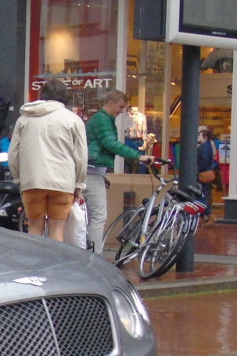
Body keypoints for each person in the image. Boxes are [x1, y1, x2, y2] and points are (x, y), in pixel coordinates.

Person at [8, 76, 87, 244]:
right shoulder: (73, 119)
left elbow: (13, 154)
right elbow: (81, 156)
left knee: (35, 227)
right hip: (63, 182)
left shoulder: (24, 118)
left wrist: (19, 179)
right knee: (57, 229)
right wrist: (79, 184)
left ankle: (33, 265)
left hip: (32, 181)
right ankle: (53, 267)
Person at [85, 90, 153, 253]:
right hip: (92, 171)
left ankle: (88, 250)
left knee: (88, 215)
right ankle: (95, 255)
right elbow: (110, 143)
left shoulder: (101, 119)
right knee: (98, 215)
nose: (122, 111)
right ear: (111, 103)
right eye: (121, 107)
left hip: (92, 170)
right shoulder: (103, 120)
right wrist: (138, 156)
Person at [197, 126, 219, 222]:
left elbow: (203, 160)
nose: (198, 137)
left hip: (202, 173)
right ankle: (205, 215)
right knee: (204, 194)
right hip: (207, 172)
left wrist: (198, 170)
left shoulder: (204, 147)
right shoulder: (209, 145)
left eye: (200, 135)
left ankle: (209, 214)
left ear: (205, 137)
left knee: (201, 194)